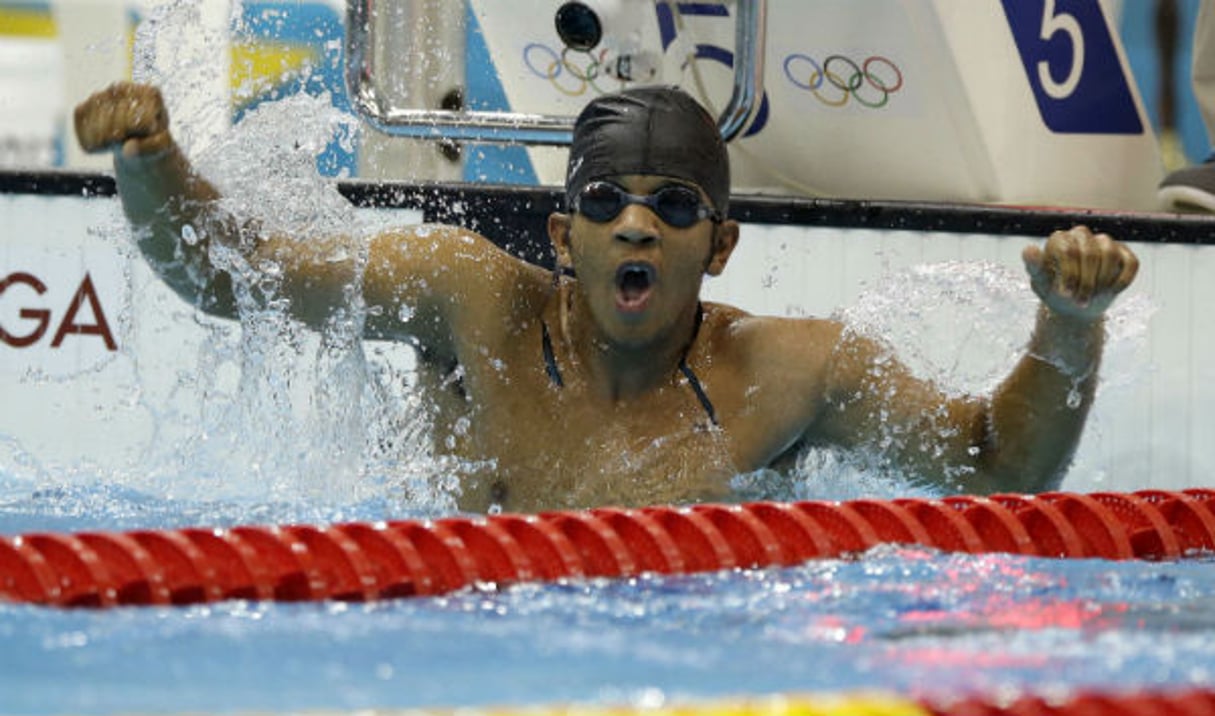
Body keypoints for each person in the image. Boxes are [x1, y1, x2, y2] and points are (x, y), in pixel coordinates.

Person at [74, 82, 1140, 513]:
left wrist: (1068, 325)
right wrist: (150, 161)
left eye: (675, 206)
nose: (638, 224)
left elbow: (1005, 465)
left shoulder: (791, 371)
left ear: (719, 246)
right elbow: (229, 271)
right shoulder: (468, 303)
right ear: (561, 232)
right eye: (606, 201)